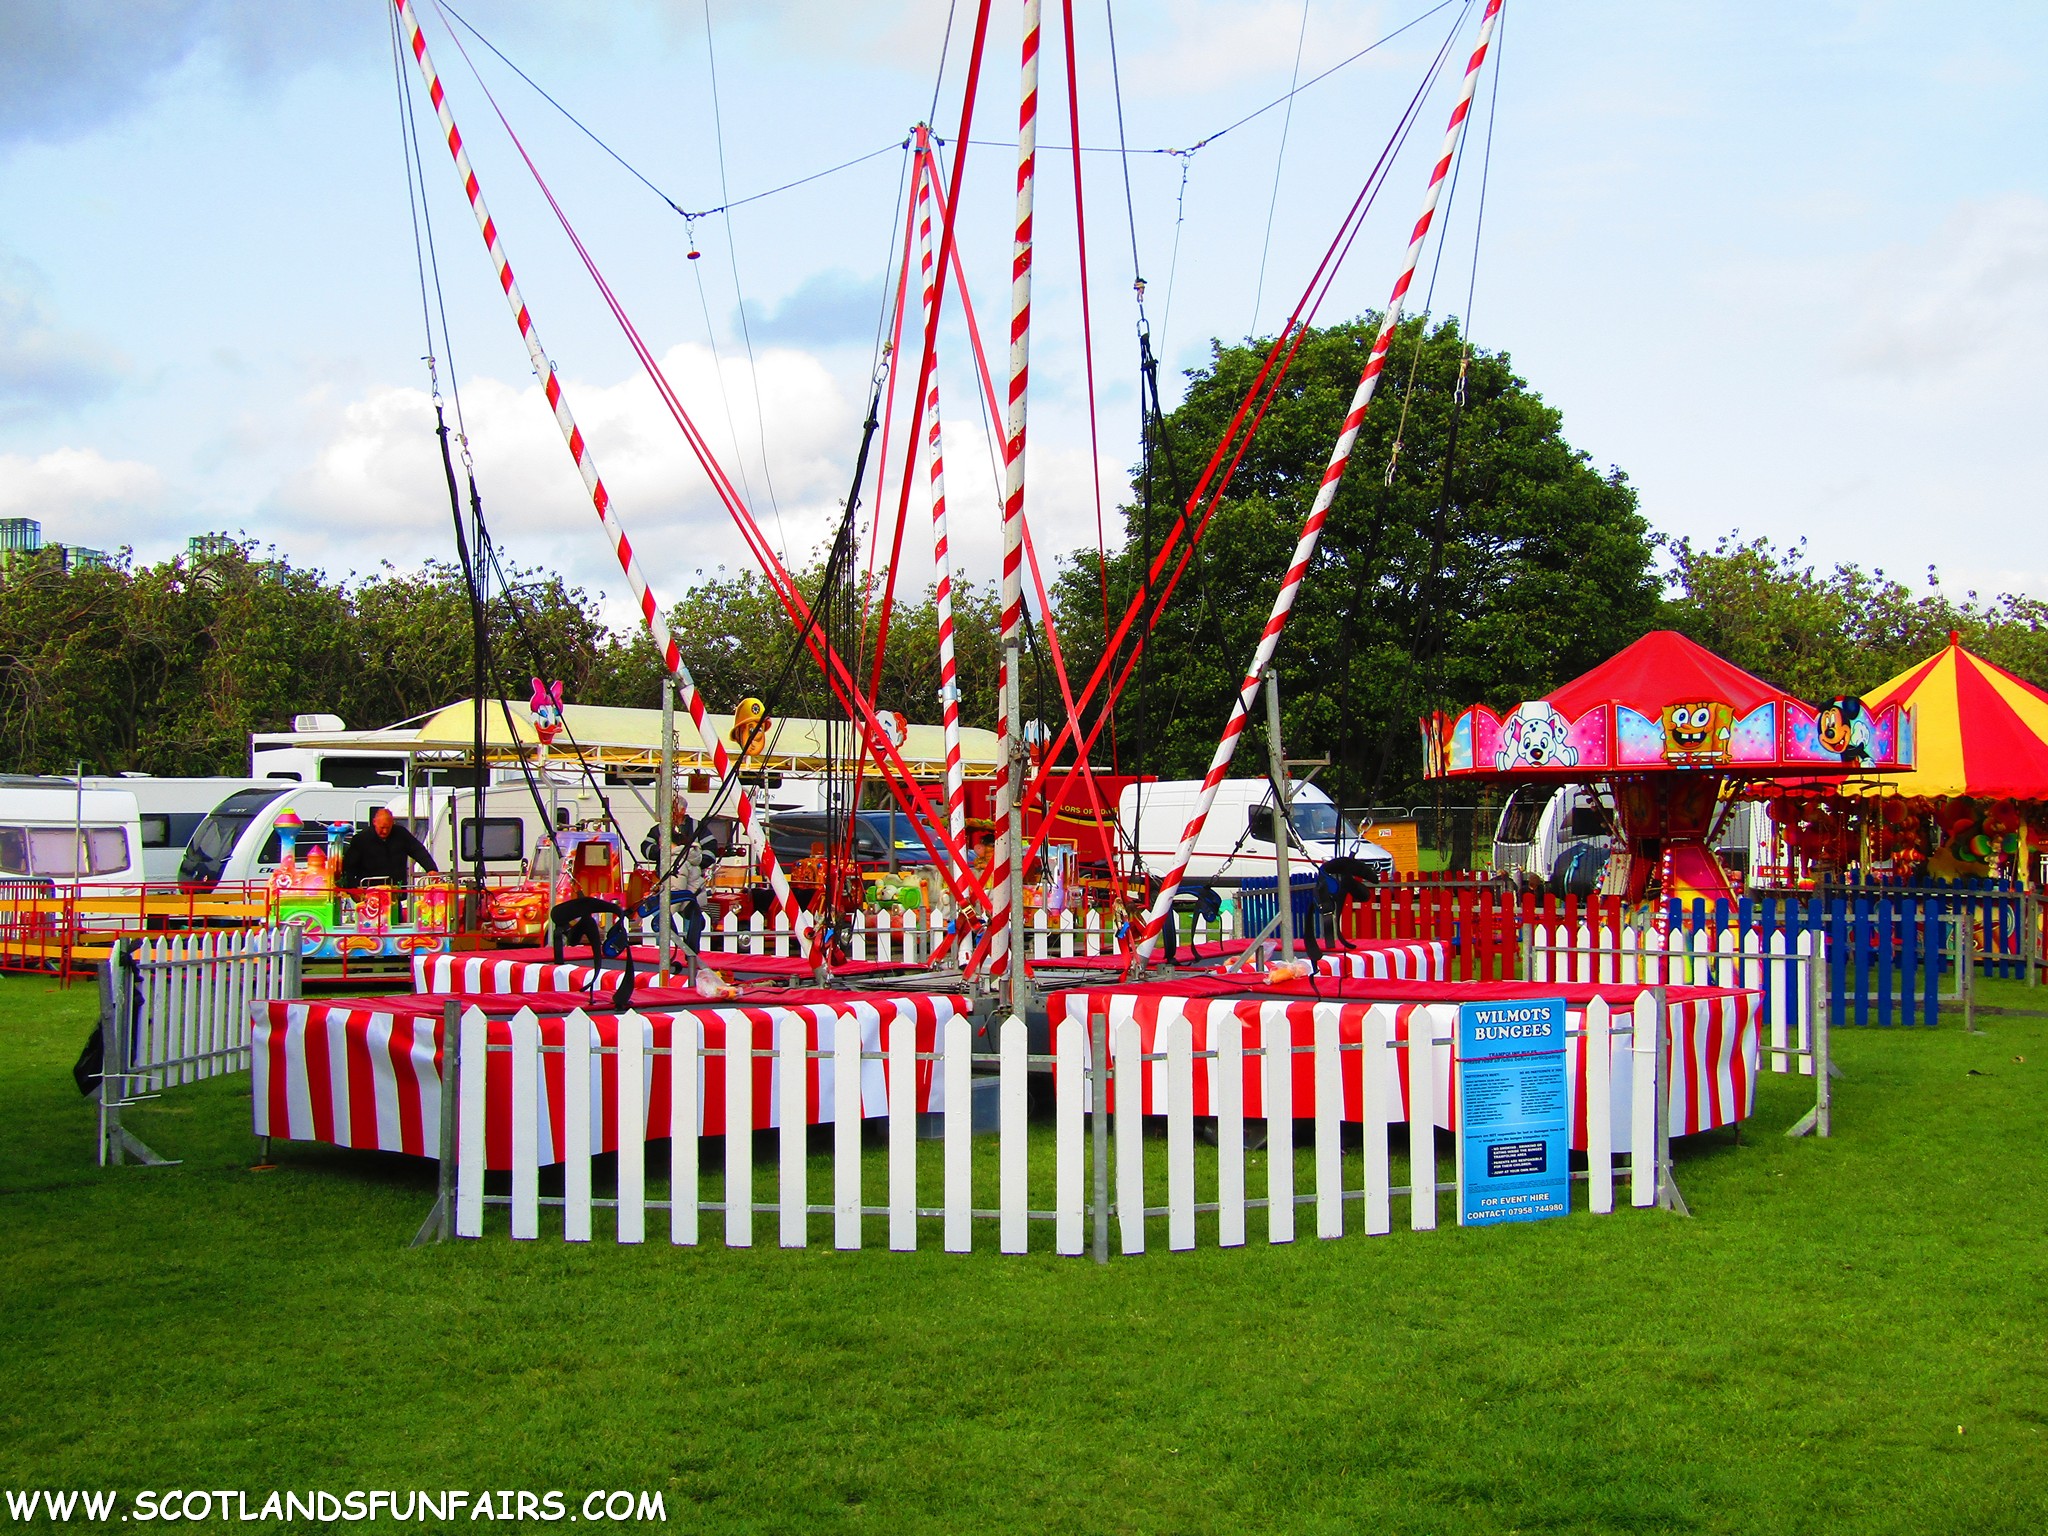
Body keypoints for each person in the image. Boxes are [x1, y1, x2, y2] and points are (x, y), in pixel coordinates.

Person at [339, 808, 439, 890]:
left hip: (395, 889)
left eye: (388, 827)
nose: (385, 831)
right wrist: (352, 889)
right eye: (382, 827)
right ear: (374, 822)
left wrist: (431, 868)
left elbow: (418, 850)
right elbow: (350, 866)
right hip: (370, 892)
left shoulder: (401, 833)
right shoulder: (361, 839)